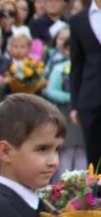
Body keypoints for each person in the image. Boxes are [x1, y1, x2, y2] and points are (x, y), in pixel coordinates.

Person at [68, 0, 101, 168]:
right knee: (94, 155)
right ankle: (97, 197)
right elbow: (76, 64)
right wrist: (74, 104)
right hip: (91, 97)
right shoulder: (78, 20)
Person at [45, 27, 87, 174]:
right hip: (65, 113)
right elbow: (50, 90)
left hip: (84, 114)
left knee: (83, 153)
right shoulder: (60, 68)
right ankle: (62, 191)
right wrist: (73, 97)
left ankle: (83, 191)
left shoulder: (88, 68)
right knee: (66, 154)